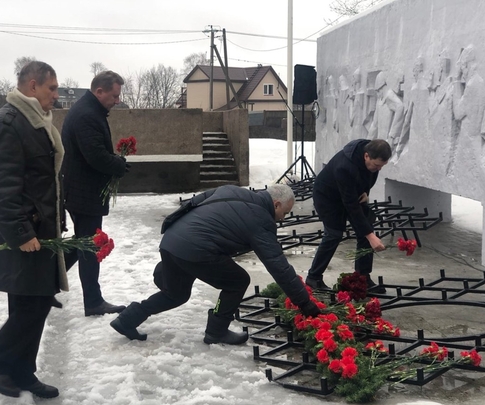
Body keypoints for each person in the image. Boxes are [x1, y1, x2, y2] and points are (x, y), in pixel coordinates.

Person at [110, 184, 322, 344]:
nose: (283, 220)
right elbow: (278, 266)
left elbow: (196, 201)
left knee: (175, 295)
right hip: (195, 249)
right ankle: (217, 330)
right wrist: (305, 303)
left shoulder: (234, 190)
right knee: (238, 280)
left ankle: (127, 319)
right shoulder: (261, 220)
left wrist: (172, 227)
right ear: (275, 204)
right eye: (284, 213)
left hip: (172, 241)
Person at [0, 61, 68, 399]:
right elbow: (0, 187)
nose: (56, 96)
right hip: (22, 233)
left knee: (34, 304)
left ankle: (21, 371)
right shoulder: (8, 124)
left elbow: (42, 180)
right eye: (52, 88)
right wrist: (21, 233)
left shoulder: (35, 121)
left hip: (38, 228)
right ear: (32, 85)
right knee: (32, 305)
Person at [60, 71, 128, 317]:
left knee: (82, 242)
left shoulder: (89, 110)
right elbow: (95, 156)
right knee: (89, 246)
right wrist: (118, 164)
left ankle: (44, 286)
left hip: (81, 189)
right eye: (114, 95)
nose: (117, 100)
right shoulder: (87, 115)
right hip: (83, 191)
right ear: (99, 91)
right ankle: (93, 302)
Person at [305, 139, 391, 294]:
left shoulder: (373, 156)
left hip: (351, 193)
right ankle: (313, 277)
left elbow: (368, 177)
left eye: (382, 166)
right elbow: (351, 205)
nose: (378, 169)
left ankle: (362, 277)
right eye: (377, 165)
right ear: (366, 156)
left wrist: (366, 192)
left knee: (366, 227)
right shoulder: (345, 167)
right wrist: (371, 236)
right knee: (334, 234)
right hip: (328, 198)